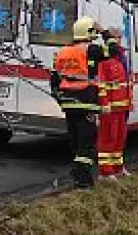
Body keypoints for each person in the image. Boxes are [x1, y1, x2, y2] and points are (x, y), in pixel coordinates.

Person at [50, 16, 105, 188]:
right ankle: (82, 177)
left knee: (75, 140)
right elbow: (114, 50)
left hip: (68, 103)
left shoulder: (62, 52)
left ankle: (79, 174)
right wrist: (104, 31)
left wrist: (59, 98)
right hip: (86, 102)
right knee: (87, 142)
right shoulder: (91, 50)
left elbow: (54, 79)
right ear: (89, 32)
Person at [96, 28, 132, 179]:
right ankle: (106, 171)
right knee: (108, 138)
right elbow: (102, 85)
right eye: (116, 38)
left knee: (119, 138)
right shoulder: (104, 63)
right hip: (110, 107)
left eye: (119, 38)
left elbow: (126, 84)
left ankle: (117, 167)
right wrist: (104, 103)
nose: (118, 41)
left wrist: (129, 102)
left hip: (121, 106)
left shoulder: (120, 59)